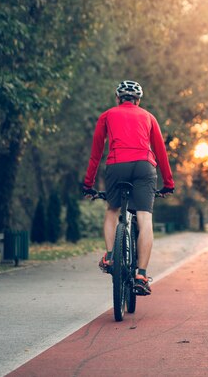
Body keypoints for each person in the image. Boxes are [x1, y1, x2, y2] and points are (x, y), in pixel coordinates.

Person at [82, 80, 174, 295]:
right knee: (145, 218)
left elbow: (96, 154)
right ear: (138, 100)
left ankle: (111, 256)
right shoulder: (149, 117)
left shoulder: (107, 115)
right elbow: (161, 153)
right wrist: (168, 183)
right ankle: (141, 274)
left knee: (112, 210)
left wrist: (88, 184)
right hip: (144, 167)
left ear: (117, 99)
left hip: (117, 165)